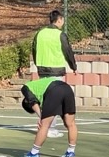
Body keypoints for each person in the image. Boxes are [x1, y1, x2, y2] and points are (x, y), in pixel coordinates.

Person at [29, 10, 75, 138]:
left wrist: (38, 64)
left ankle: (45, 126)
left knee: (46, 99)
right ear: (59, 20)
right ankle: (50, 128)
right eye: (62, 20)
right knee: (55, 101)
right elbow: (68, 51)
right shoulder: (60, 35)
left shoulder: (40, 33)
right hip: (56, 70)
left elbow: (34, 50)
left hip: (42, 69)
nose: (63, 22)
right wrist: (73, 66)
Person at [17, 76, 79, 157]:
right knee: (70, 124)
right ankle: (70, 152)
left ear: (26, 101)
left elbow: (32, 102)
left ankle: (34, 154)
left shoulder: (25, 88)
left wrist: (41, 116)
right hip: (67, 88)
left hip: (54, 91)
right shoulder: (38, 87)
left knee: (44, 125)